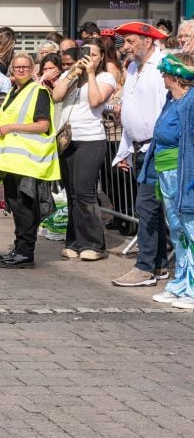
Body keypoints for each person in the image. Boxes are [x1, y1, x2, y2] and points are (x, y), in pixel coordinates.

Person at [109, 22, 172, 288]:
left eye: (131, 41)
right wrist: (124, 149)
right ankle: (157, 263)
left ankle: (145, 267)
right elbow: (131, 108)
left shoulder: (163, 66)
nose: (126, 47)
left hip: (156, 148)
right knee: (152, 209)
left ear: (148, 41)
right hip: (137, 147)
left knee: (146, 207)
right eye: (125, 42)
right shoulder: (132, 67)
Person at [0, 53, 61, 269]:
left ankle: (25, 253)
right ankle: (19, 248)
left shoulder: (38, 92)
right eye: (17, 67)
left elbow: (43, 125)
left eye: (25, 67)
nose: (20, 70)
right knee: (17, 208)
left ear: (32, 68)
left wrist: (12, 128)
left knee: (26, 208)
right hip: (12, 162)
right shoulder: (13, 92)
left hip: (28, 162)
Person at [49, 41, 116, 260]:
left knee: (85, 192)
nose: (90, 57)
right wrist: (72, 74)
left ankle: (95, 244)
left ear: (102, 56)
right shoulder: (71, 75)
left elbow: (96, 101)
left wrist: (91, 73)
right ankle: (75, 241)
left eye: (94, 54)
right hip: (68, 140)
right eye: (86, 54)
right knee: (72, 193)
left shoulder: (105, 77)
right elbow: (57, 95)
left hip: (90, 139)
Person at [147, 52, 194, 310]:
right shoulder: (171, 100)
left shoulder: (191, 102)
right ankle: (180, 284)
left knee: (190, 230)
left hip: (184, 173)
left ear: (176, 76)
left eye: (165, 73)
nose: (162, 77)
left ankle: (193, 287)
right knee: (177, 230)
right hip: (167, 172)